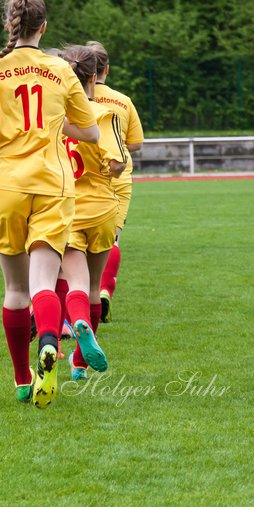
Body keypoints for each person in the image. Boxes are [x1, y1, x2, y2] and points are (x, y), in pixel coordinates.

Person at [0, 0, 98, 409]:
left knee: (15, 289)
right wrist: (56, 126)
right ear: (44, 27)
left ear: (9, 26)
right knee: (43, 283)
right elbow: (90, 133)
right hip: (53, 182)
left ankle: (21, 378)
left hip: (7, 185)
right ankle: (50, 341)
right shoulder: (62, 69)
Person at [54, 45, 126, 381]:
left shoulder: (56, 116)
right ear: (95, 76)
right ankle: (80, 363)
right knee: (96, 285)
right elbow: (117, 163)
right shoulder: (102, 115)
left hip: (67, 208)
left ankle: (77, 321)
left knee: (75, 283)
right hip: (102, 209)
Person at [85, 41, 145, 322]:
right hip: (119, 175)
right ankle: (103, 290)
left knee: (76, 240)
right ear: (106, 69)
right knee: (112, 237)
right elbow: (135, 144)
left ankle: (78, 296)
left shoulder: (77, 98)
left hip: (84, 172)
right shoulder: (123, 101)